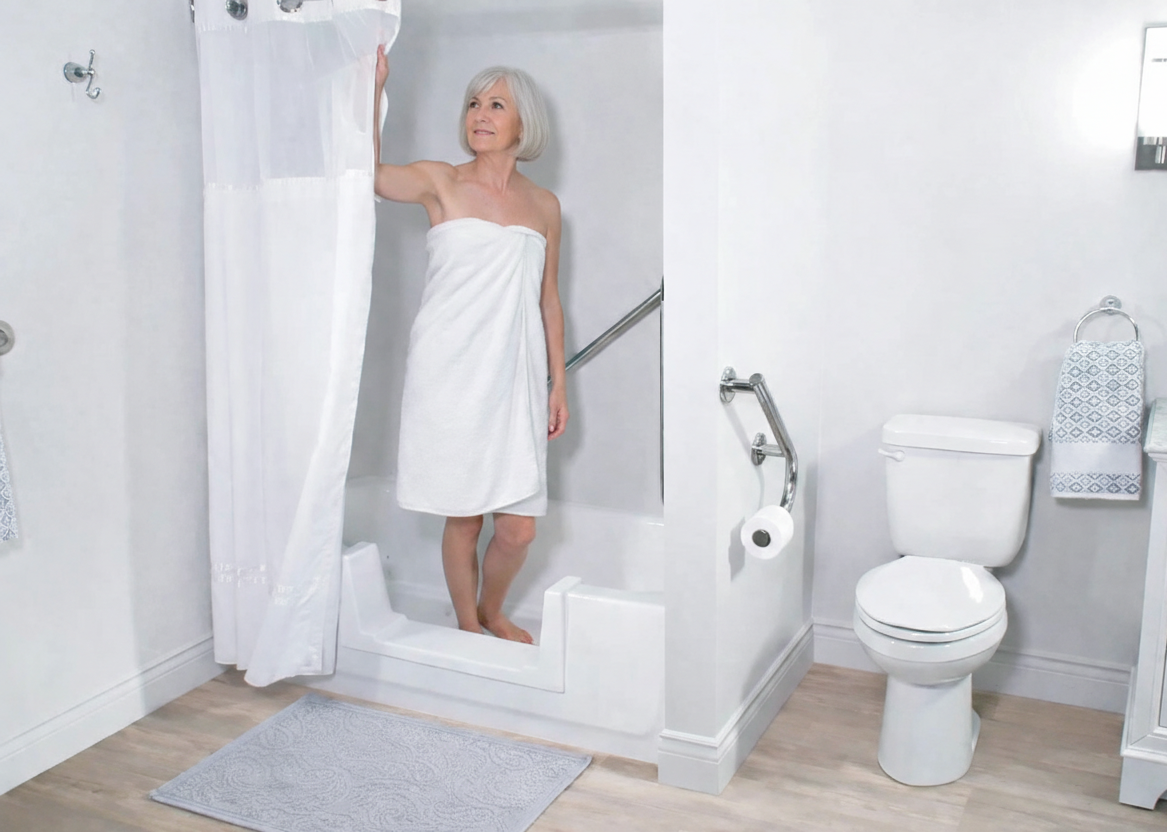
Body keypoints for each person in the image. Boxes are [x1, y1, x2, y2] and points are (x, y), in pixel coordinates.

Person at [372, 47, 568, 644]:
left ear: (522, 122)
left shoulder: (544, 206)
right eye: (474, 104)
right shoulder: (441, 181)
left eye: (496, 104)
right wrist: (371, 92)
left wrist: (560, 382)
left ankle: (491, 608)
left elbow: (548, 298)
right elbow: (368, 175)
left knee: (518, 530)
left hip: (514, 374)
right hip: (451, 369)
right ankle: (467, 627)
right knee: (465, 514)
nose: (480, 114)